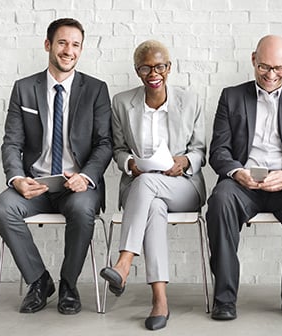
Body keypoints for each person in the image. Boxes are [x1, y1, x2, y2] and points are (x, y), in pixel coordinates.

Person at [0, 18, 112, 315]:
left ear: (81, 50)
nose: (68, 50)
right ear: (48, 45)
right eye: (62, 42)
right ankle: (39, 281)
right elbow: (12, 143)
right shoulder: (24, 89)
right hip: (38, 184)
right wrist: (17, 178)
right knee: (2, 208)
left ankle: (68, 284)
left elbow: (105, 143)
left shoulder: (96, 89)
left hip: (77, 186)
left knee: (83, 210)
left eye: (75, 45)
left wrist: (86, 177)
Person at [206, 35, 282, 321]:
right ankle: (224, 298)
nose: (271, 75)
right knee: (219, 202)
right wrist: (237, 172)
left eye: (279, 69)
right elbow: (218, 151)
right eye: (264, 68)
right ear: (253, 60)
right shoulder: (231, 96)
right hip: (243, 180)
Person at [98, 40, 206, 330]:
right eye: (146, 67)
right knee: (153, 206)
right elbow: (118, 149)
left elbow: (200, 150)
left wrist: (182, 162)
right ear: (137, 71)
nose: (153, 73)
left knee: (148, 185)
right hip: (143, 190)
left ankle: (123, 263)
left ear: (169, 68)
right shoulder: (122, 103)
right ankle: (160, 300)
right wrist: (129, 163)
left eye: (160, 66)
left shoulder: (190, 100)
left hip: (183, 186)